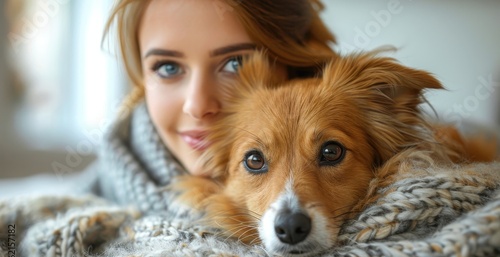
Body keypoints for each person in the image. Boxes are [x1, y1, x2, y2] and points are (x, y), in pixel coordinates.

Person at [89, 0, 337, 215]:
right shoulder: (72, 211)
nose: (197, 106)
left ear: (296, 66)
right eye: (168, 67)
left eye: (236, 64)